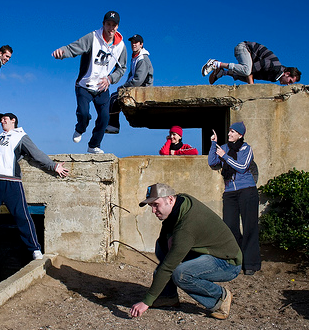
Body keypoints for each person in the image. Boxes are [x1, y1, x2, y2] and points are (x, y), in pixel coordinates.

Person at [130, 183, 242, 320]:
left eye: (156, 205)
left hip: (227, 263)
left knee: (181, 274)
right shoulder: (181, 202)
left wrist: (146, 302)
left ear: (170, 200)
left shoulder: (186, 228)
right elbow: (166, 238)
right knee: (162, 246)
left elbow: (168, 267)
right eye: (151, 206)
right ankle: (168, 296)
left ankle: (219, 297)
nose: (153, 210)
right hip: (207, 252)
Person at [0, 113, 70, 260]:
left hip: (11, 183)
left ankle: (35, 249)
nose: (2, 121)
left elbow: (36, 153)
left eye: (5, 119)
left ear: (13, 121)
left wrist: (54, 166)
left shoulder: (20, 136)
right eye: (1, 120)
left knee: (22, 216)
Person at [52, 11, 127, 154]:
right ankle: (80, 128)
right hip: (84, 85)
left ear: (117, 27)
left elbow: (122, 68)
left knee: (105, 118)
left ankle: (93, 145)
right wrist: (62, 52)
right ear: (103, 24)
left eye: (114, 25)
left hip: (102, 87)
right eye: (108, 24)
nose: (111, 28)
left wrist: (110, 79)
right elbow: (74, 48)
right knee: (84, 114)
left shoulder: (121, 46)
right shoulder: (92, 38)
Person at [208, 122, 261, 275]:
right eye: (229, 131)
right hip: (230, 192)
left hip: (247, 191)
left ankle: (251, 263)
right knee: (230, 227)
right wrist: (213, 144)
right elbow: (212, 162)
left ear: (240, 135)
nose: (229, 134)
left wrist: (224, 156)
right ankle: (234, 260)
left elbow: (243, 166)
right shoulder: (223, 147)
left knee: (249, 226)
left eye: (233, 132)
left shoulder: (246, 149)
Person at [106, 34, 153, 134]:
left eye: (136, 42)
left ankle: (113, 125)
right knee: (113, 96)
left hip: (142, 89)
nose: (133, 44)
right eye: (132, 42)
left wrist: (124, 87)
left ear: (141, 44)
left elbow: (138, 80)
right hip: (136, 87)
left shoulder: (142, 59)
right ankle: (111, 124)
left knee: (115, 98)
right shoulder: (135, 57)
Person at [201, 41, 301, 85]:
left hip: (248, 61)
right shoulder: (276, 67)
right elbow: (252, 70)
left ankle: (223, 72)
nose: (288, 84)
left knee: (248, 76)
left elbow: (253, 75)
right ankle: (215, 63)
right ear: (287, 73)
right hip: (244, 48)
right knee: (247, 71)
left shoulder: (275, 77)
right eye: (290, 81)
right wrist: (252, 88)